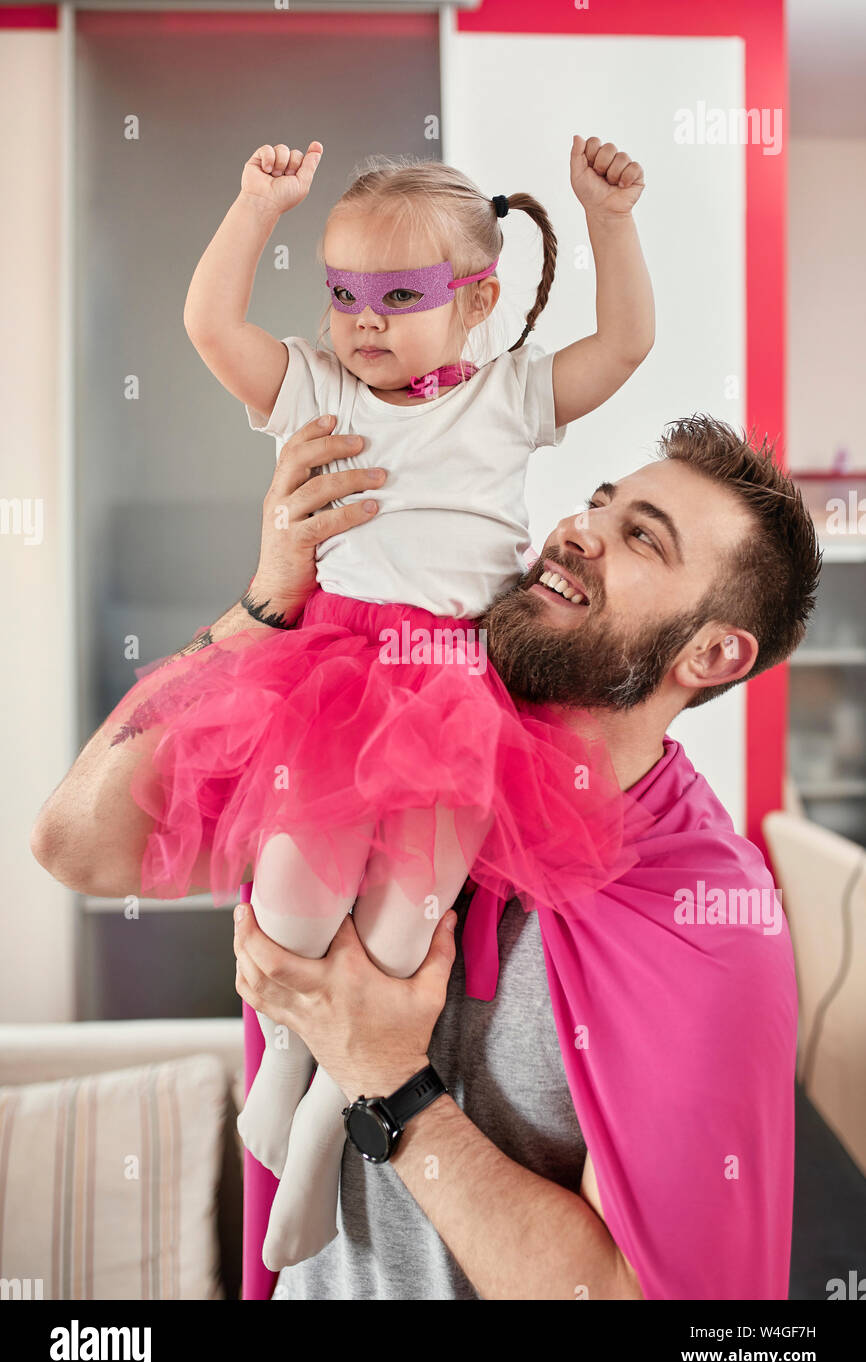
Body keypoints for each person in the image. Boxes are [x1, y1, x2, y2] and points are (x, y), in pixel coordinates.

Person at [33, 410, 821, 1299]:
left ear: (714, 654)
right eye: (600, 503)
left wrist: (390, 1080)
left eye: (642, 537)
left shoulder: (708, 920)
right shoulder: (390, 730)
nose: (581, 530)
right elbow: (78, 845)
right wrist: (266, 602)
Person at [82, 132, 656, 1270]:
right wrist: (255, 208)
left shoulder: (508, 394)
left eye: (400, 295)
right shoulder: (318, 383)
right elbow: (210, 327)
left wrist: (608, 220)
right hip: (336, 685)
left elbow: (626, 344)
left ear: (477, 298)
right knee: (295, 914)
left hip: (459, 697)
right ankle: (293, 1072)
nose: (364, 320)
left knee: (401, 937)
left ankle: (314, 1127)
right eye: (343, 294)